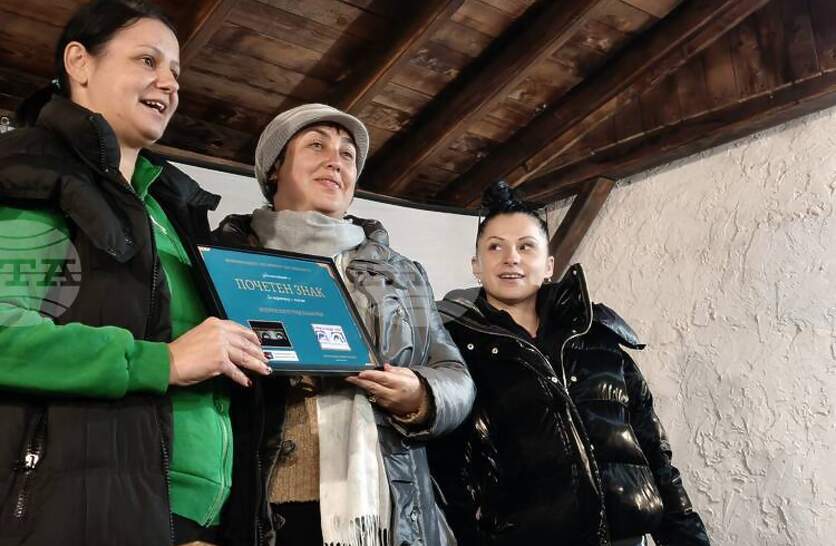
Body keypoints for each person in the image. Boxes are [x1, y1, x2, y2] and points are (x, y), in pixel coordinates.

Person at [0, 2, 269, 545]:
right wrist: (162, 361)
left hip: (197, 515)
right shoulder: (34, 171)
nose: (169, 83)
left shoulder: (172, 207)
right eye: (148, 60)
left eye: (175, 72)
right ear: (79, 62)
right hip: (83, 512)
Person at [214, 103, 475, 546]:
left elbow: (456, 376)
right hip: (266, 506)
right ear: (275, 168)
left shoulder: (401, 273)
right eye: (316, 146)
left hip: (387, 509)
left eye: (348, 154)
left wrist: (421, 394)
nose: (336, 161)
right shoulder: (222, 257)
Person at [429, 182, 711, 546]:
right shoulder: (453, 350)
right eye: (495, 246)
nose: (511, 258)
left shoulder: (598, 337)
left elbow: (654, 453)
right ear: (476, 266)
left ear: (549, 265)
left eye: (525, 246)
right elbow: (451, 479)